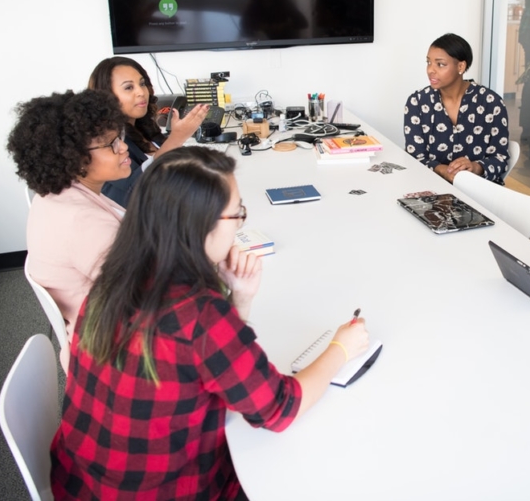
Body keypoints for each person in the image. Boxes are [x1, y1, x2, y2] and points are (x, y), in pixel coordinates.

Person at [51, 147, 371, 500]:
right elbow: (279, 409)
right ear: (202, 226)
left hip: (82, 483)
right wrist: (341, 347)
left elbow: (202, 363)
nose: (239, 226)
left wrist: (239, 299)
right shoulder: (198, 315)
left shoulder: (113, 279)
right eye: (238, 215)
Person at [6, 89, 131, 369]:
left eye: (119, 137)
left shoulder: (57, 195)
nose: (123, 148)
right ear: (72, 157)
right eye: (110, 144)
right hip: (115, 357)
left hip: (96, 335)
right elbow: (148, 297)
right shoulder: (82, 222)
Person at [89, 56, 209, 207]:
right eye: (128, 87)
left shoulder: (144, 129)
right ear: (106, 96)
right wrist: (176, 139)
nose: (141, 92)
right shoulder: (107, 144)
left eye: (142, 84)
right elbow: (133, 193)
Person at [404, 33, 510, 184]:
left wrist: (475, 167)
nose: (430, 70)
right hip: (431, 188)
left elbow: (500, 159)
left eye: (440, 64)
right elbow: (414, 157)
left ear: (461, 66)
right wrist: (443, 171)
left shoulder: (491, 103)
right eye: (428, 62)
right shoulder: (417, 103)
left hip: (478, 192)